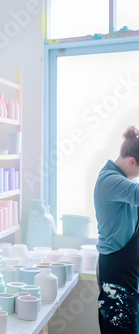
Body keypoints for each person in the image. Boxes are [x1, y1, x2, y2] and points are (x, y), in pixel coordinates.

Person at [94, 126, 139, 333]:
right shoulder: (110, 181)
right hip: (115, 270)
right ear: (132, 161)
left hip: (125, 269)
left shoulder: (121, 181)